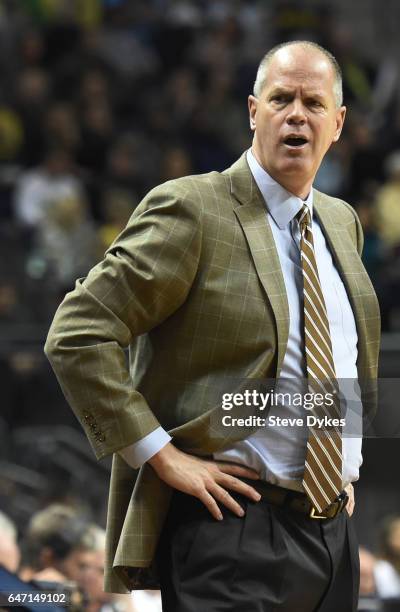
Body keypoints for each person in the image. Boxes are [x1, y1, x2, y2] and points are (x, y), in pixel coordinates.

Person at [45, 40, 380, 611]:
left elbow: (334, 355)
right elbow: (78, 332)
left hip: (332, 533)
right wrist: (160, 455)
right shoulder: (193, 209)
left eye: (313, 103)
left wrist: (342, 464)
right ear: (254, 112)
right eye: (281, 99)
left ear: (338, 123)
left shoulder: (341, 221)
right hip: (232, 528)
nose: (296, 114)